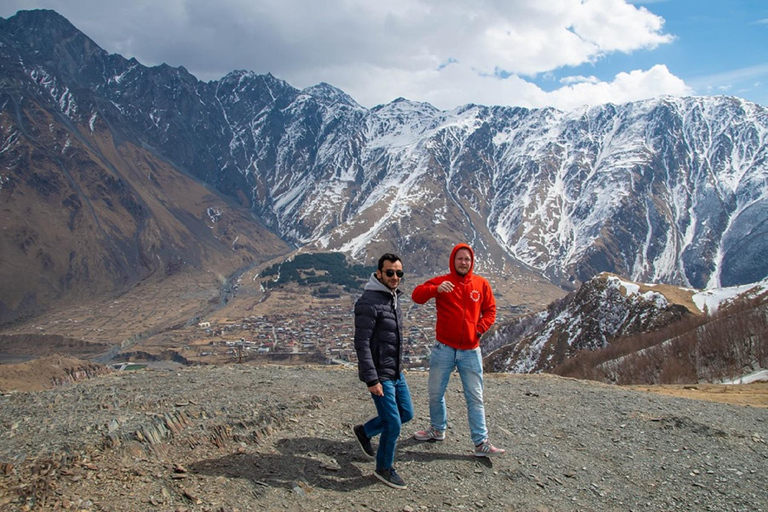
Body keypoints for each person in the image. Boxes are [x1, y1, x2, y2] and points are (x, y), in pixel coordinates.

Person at [411, 243, 505, 457]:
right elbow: (417, 295)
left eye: (467, 259)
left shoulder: (480, 284)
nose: (463, 262)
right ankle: (437, 429)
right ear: (453, 260)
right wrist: (436, 289)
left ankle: (481, 443)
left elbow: (490, 310)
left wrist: (478, 330)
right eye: (460, 258)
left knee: (475, 397)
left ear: (471, 263)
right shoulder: (443, 281)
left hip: (471, 351)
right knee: (436, 393)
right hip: (443, 347)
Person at [352, 253, 414, 489]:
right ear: (379, 273)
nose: (395, 277)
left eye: (399, 273)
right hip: (380, 374)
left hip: (396, 372)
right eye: (390, 272)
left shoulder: (392, 298)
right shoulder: (369, 302)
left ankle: (365, 431)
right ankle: (383, 468)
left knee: (406, 413)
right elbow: (362, 343)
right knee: (393, 423)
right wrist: (372, 379)